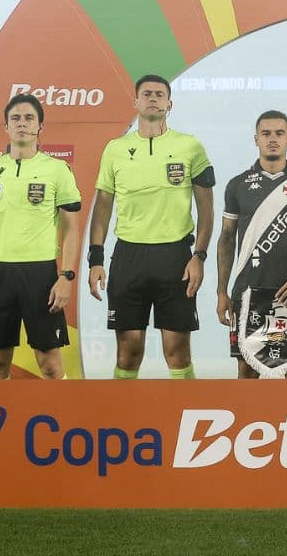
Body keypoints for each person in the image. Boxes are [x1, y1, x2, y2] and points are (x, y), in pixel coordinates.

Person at [87, 74, 215, 379]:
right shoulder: (115, 149)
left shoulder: (190, 146)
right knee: (128, 350)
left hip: (175, 257)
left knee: (177, 350)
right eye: (147, 94)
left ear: (169, 104)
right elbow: (103, 206)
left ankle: (186, 419)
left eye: (160, 94)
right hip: (129, 257)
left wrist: (199, 256)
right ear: (136, 102)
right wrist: (95, 259)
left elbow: (206, 208)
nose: (153, 98)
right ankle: (122, 419)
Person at [0, 93, 82, 379]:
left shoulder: (57, 170)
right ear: (6, 127)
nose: (22, 124)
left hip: (40, 274)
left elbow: (72, 229)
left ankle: (62, 419)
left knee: (50, 364)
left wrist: (66, 277)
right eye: (15, 118)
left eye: (29, 118)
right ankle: (2, 422)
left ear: (40, 126)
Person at [216, 111, 287, 379]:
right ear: (256, 139)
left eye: (279, 133)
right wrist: (221, 291)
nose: (273, 139)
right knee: (246, 372)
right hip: (247, 293)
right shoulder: (237, 185)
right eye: (266, 133)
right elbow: (226, 239)